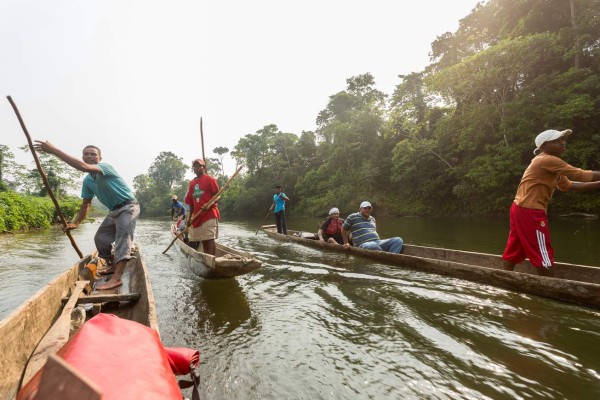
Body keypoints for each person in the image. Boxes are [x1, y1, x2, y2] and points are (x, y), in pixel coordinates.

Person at [33, 141, 139, 290]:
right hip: (114, 210)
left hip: (128, 207)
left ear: (99, 158)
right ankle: (114, 264)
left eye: (93, 154)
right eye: (86, 154)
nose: (89, 156)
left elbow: (83, 167)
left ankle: (116, 279)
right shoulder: (88, 181)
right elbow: (86, 204)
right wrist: (75, 223)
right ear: (82, 156)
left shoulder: (105, 167)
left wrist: (55, 150)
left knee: (123, 240)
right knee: (100, 239)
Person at [502, 129, 600, 276]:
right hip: (531, 211)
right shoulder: (547, 159)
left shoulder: (552, 166)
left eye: (562, 140)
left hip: (519, 207)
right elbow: (581, 174)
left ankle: (505, 276)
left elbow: (568, 185)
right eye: (556, 141)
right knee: (543, 252)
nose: (562, 143)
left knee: (515, 246)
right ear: (543, 147)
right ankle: (550, 284)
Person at [184, 158, 220, 255]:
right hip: (197, 216)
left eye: (199, 166)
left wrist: (209, 205)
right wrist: (190, 218)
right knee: (203, 240)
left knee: (209, 239)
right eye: (195, 166)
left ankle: (211, 259)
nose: (197, 168)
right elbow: (191, 203)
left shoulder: (210, 180)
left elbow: (217, 196)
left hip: (209, 214)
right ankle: (207, 259)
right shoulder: (192, 184)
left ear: (203, 167)